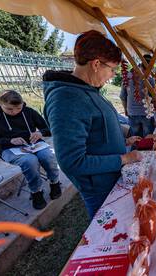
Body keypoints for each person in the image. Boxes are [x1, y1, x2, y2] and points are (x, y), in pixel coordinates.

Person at [43, 30, 142, 219]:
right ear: (96, 64)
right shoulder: (66, 99)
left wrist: (124, 140)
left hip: (113, 178)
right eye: (112, 69)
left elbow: (98, 128)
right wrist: (123, 158)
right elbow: (73, 162)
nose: (112, 76)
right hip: (100, 190)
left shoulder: (88, 89)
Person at [0, 90, 61, 210]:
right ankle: (36, 192)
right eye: (9, 109)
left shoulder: (28, 112)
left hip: (34, 144)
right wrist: (9, 141)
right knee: (29, 161)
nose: (15, 112)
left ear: (23, 103)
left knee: (47, 156)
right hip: (8, 148)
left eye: (18, 108)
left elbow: (48, 128)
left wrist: (40, 133)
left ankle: (55, 182)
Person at [120, 54, 156, 138]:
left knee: (135, 139)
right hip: (146, 114)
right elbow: (153, 98)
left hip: (132, 112)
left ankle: (135, 150)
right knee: (148, 139)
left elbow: (122, 96)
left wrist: (126, 109)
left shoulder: (128, 76)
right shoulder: (150, 79)